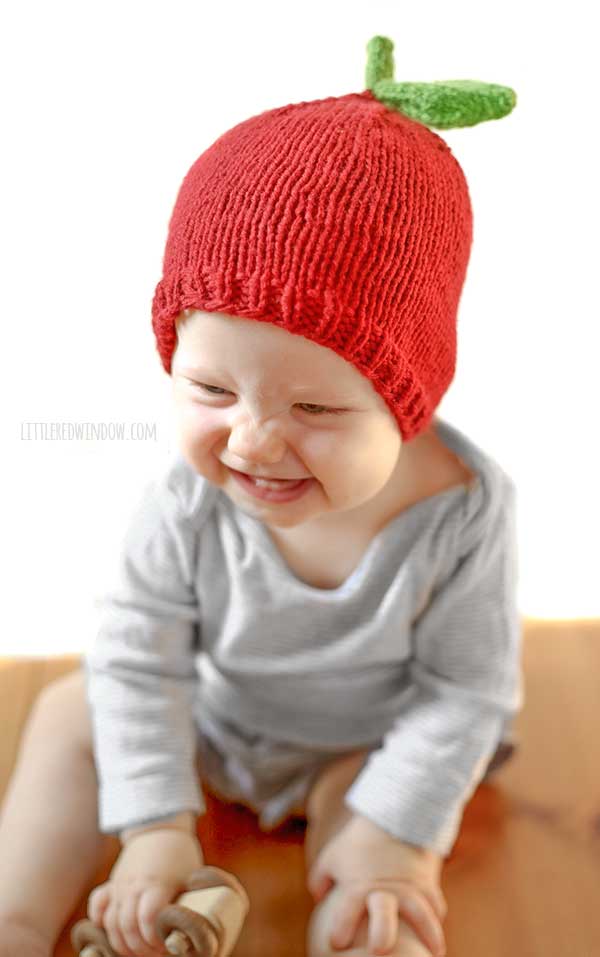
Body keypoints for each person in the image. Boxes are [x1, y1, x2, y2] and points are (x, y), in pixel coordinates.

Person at [0, 35, 523, 957]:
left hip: (363, 748)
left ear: (409, 401)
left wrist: (393, 832)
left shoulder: (463, 513)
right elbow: (138, 653)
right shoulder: (188, 503)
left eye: (315, 405)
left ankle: (366, 919)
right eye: (208, 389)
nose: (250, 439)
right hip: (208, 722)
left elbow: (463, 693)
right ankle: (15, 920)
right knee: (70, 710)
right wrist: (156, 821)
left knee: (382, 885)